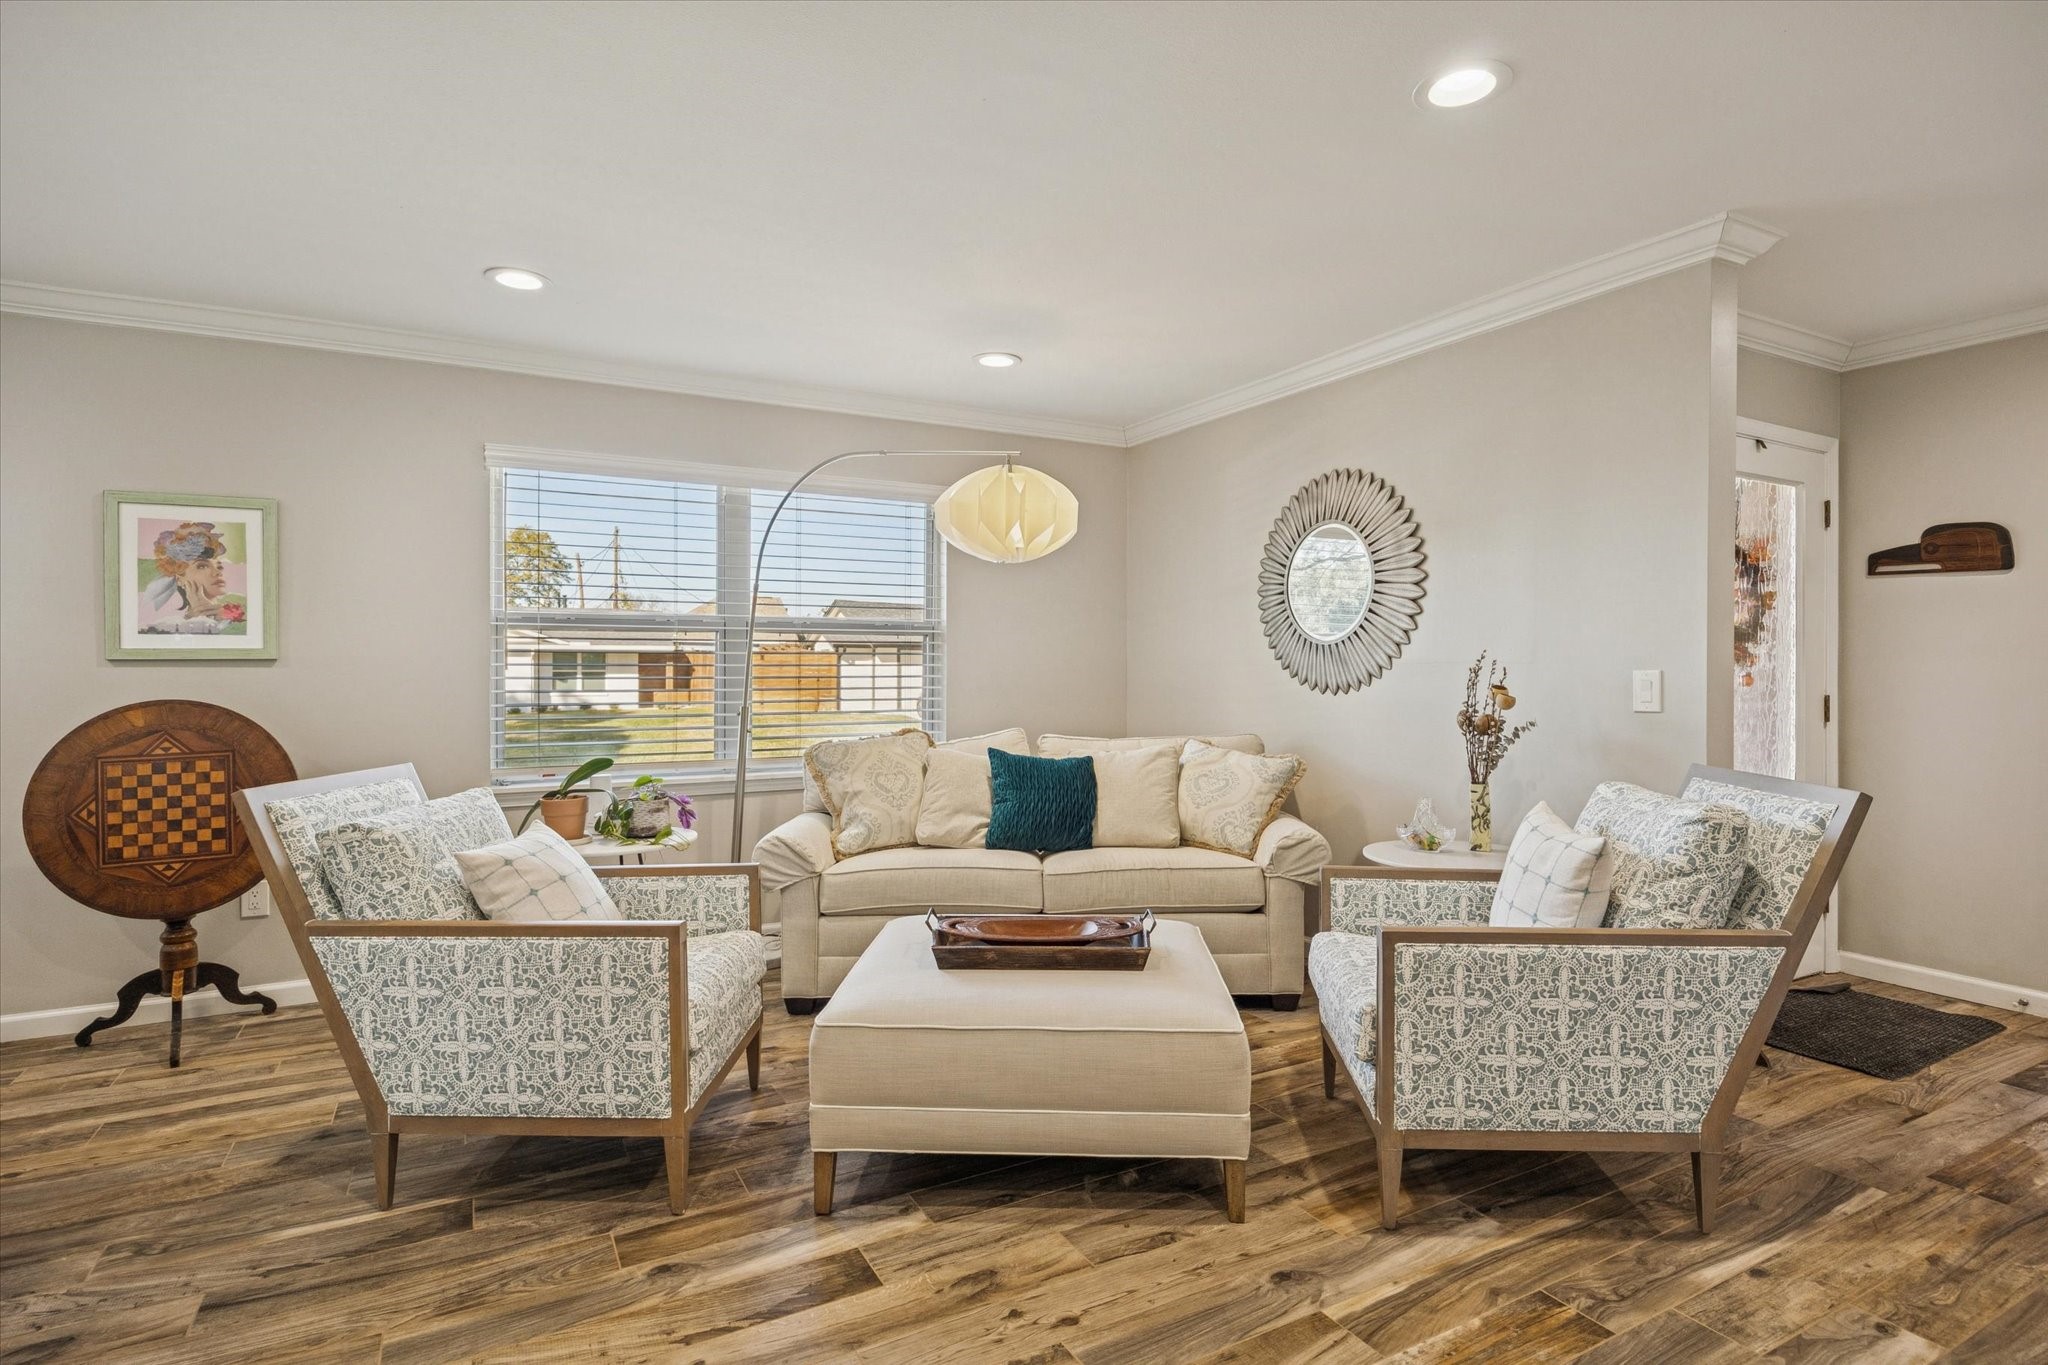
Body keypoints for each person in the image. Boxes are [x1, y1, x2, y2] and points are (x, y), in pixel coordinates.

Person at [139, 522, 239, 633]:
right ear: (179, 579)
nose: (217, 572)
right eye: (202, 566)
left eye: (219, 567)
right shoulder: (170, 627)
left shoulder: (236, 616)